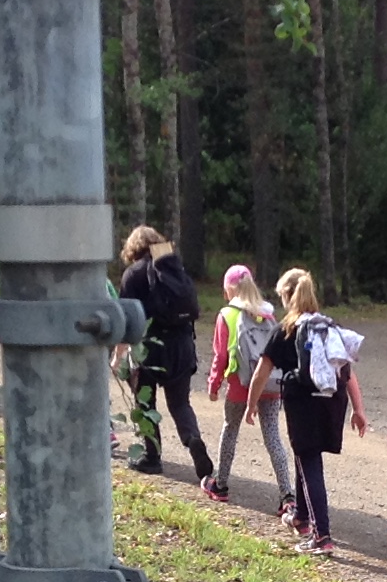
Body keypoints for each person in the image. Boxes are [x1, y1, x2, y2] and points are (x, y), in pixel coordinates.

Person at [243, 268, 367, 556]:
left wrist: (251, 404)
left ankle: (322, 535)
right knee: (306, 454)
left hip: (303, 402)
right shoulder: (328, 326)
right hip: (332, 400)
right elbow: (347, 372)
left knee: (309, 460)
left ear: (288, 296)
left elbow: (262, 372)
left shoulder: (286, 329)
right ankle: (300, 516)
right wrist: (358, 409)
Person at [203, 265, 296, 527]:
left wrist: (214, 384)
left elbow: (221, 356)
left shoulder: (227, 315)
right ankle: (287, 495)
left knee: (230, 430)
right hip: (269, 385)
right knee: (273, 437)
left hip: (239, 385)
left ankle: (220, 484)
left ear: (229, 289)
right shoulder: (268, 313)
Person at [117, 226, 211, 481]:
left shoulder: (133, 274)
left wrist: (118, 355)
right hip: (182, 344)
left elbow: (127, 319)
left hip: (149, 347)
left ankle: (152, 457)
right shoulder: (175, 267)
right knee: (180, 403)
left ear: (132, 248)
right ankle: (192, 439)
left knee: (145, 403)